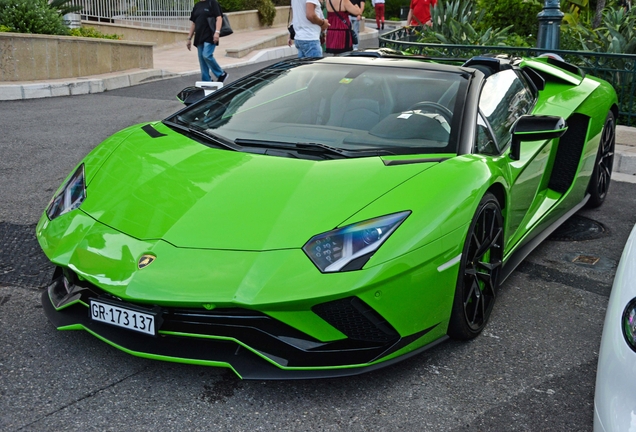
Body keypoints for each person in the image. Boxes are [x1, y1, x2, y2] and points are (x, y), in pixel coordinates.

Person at [186, 0, 228, 83]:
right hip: (199, 36)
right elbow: (193, 23)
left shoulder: (212, 3)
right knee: (202, 59)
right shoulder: (197, 5)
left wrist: (217, 32)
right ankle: (206, 80)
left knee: (207, 55)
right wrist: (189, 38)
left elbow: (219, 18)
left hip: (210, 35)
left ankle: (221, 74)